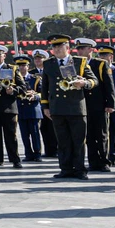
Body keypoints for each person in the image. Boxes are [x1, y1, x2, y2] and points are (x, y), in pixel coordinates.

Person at [40, 34, 91, 180]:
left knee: (78, 141)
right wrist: (45, 106)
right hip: (57, 107)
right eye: (54, 47)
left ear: (67, 47)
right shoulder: (48, 64)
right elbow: (45, 87)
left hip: (76, 107)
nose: (56, 49)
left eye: (60, 46)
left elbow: (93, 80)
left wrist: (84, 83)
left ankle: (80, 169)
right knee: (63, 141)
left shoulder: (79, 61)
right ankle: (65, 168)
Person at [74, 38, 114, 172]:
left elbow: (108, 85)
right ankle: (93, 161)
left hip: (99, 104)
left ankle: (104, 161)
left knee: (102, 134)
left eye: (82, 48)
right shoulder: (75, 63)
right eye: (78, 49)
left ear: (91, 49)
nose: (79, 51)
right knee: (89, 135)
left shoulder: (100, 64)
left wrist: (110, 103)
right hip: (83, 104)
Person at [0, 45, 21, 169]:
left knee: (11, 136)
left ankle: (15, 159)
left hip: (8, 108)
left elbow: (23, 87)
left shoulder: (12, 69)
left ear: (4, 55)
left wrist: (13, 90)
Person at [14, 57, 43, 162]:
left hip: (33, 109)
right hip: (21, 109)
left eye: (23, 65)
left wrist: (35, 96)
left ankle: (37, 154)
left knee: (35, 133)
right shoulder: (15, 80)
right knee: (24, 134)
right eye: (19, 66)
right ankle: (28, 154)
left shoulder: (35, 78)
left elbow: (42, 93)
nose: (21, 68)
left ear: (28, 66)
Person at [32, 48, 59, 158]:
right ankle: (48, 150)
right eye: (36, 59)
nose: (38, 60)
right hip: (38, 105)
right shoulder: (31, 73)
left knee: (53, 127)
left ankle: (56, 149)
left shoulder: (50, 71)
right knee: (43, 128)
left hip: (52, 102)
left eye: (40, 58)